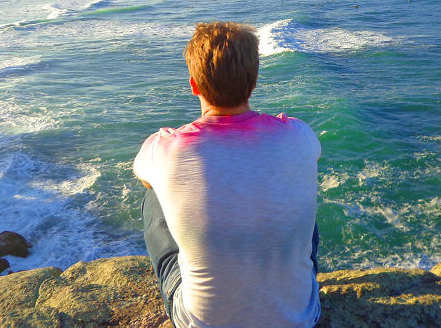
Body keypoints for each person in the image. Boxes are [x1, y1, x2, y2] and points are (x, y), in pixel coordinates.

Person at [134, 22, 321, 327]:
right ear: (254, 81)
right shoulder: (299, 134)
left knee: (154, 193)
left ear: (194, 85)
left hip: (202, 322)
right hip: (300, 318)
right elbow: (313, 156)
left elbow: (143, 176)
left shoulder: (164, 147)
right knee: (294, 183)